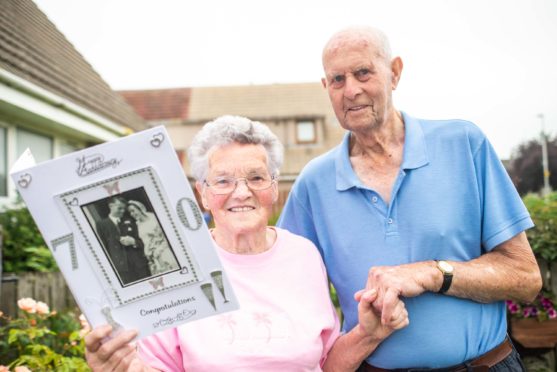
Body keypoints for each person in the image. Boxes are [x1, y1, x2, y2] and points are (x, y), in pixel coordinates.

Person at [278, 26, 543, 371]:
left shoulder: (463, 143)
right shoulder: (313, 183)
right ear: (326, 88)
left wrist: (433, 273)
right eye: (338, 80)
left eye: (363, 73)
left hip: (485, 365)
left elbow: (526, 278)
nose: (352, 90)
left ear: (395, 72)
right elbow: (279, 286)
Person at [84, 115, 409, 372]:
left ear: (273, 187)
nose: (242, 192)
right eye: (223, 181)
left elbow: (324, 364)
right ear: (203, 194)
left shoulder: (304, 255)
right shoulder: (178, 263)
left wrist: (369, 333)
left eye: (256, 177)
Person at [95, 196, 151, 285]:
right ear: (111, 206)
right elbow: (103, 248)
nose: (123, 211)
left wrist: (134, 242)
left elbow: (143, 241)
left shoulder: (130, 221)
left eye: (124, 209)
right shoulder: (101, 225)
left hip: (139, 265)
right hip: (122, 269)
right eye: (119, 208)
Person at [127, 200, 180, 275]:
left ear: (139, 208)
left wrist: (159, 250)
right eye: (130, 212)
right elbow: (144, 241)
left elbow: (166, 236)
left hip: (163, 251)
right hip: (151, 256)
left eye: (133, 210)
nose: (132, 214)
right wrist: (148, 253)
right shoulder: (137, 224)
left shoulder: (153, 217)